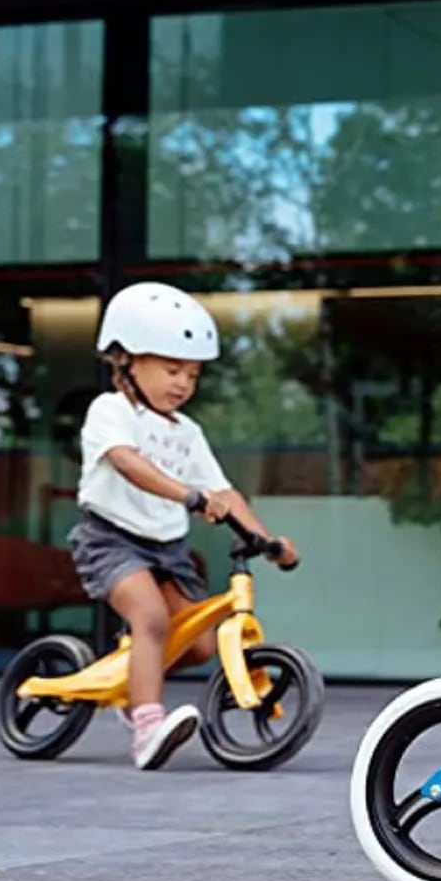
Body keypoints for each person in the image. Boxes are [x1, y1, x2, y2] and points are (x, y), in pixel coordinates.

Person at [71, 282, 299, 770]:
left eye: (192, 375)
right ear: (126, 360)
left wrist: (266, 538)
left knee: (196, 644)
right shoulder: (110, 411)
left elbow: (225, 492)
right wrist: (188, 497)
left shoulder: (187, 432)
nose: (182, 384)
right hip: (111, 539)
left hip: (167, 548)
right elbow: (129, 464)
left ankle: (136, 673)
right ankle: (146, 727)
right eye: (171, 369)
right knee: (152, 619)